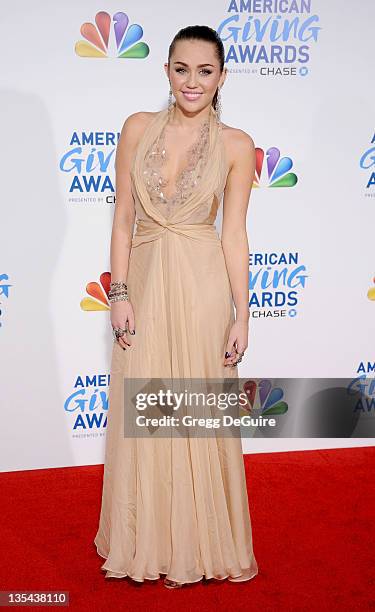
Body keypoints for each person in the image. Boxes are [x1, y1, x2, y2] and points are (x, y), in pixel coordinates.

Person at [94, 25, 258, 589]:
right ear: (166, 71)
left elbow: (233, 233)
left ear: (221, 77)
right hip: (143, 280)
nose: (193, 82)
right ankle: (147, 542)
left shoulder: (237, 144)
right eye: (182, 69)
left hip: (202, 288)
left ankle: (202, 544)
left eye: (205, 71)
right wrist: (118, 293)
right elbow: (121, 219)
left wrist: (242, 311)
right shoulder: (137, 129)